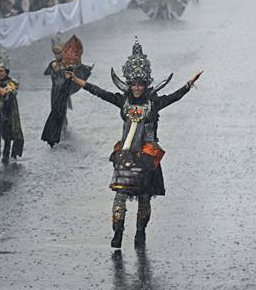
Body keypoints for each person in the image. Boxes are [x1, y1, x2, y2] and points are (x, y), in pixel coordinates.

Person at [66, 38, 203, 248]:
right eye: (133, 84)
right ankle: (118, 233)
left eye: (140, 84)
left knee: (144, 198)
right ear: (129, 85)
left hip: (147, 155)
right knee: (119, 195)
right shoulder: (123, 101)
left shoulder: (154, 102)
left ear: (145, 84)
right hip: (126, 154)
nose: (137, 88)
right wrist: (76, 80)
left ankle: (140, 233)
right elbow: (99, 92)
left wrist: (188, 85)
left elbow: (174, 97)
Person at [41, 35, 93, 147]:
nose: (57, 55)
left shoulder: (68, 65)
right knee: (55, 111)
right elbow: (46, 72)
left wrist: (83, 68)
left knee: (61, 112)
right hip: (55, 92)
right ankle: (56, 133)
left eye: (59, 53)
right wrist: (55, 67)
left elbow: (77, 70)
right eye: (55, 54)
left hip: (63, 92)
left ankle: (62, 132)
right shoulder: (53, 64)